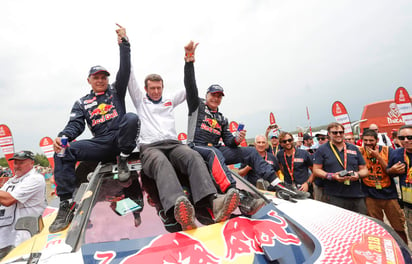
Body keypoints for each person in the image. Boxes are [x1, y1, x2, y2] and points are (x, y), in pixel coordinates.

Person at [127, 44, 239, 231]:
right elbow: (129, 76)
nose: (156, 91)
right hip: (151, 147)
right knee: (161, 163)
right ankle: (179, 207)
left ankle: (213, 203)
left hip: (173, 144)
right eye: (152, 88)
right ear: (146, 89)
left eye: (159, 88)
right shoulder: (140, 99)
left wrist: (189, 61)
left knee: (193, 156)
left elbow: (190, 87)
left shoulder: (169, 99)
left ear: (163, 87)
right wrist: (125, 45)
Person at [49, 25, 140, 233]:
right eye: (96, 77)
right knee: (63, 149)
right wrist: (63, 136)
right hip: (102, 143)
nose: (100, 80)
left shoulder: (116, 91)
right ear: (89, 80)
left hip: (122, 139)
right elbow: (75, 125)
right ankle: (65, 204)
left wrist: (124, 44)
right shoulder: (82, 102)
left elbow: (124, 69)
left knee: (132, 117)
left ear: (107, 79)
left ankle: (124, 159)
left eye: (103, 77)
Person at [183, 41, 276, 211]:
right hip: (195, 147)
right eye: (213, 95)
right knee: (214, 152)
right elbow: (190, 85)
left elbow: (230, 143)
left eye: (219, 96)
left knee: (250, 151)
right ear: (207, 95)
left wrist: (237, 139)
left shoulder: (221, 118)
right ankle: (233, 191)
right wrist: (189, 61)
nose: (216, 98)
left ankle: (276, 182)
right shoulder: (197, 105)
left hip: (215, 149)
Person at [359, 130, 407, 243]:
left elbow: (390, 171)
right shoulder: (360, 152)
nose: (368, 143)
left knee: (398, 226)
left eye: (371, 140)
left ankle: (405, 250)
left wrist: (378, 157)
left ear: (377, 140)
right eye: (365, 140)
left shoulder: (387, 151)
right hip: (370, 194)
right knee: (376, 227)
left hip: (389, 194)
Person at [313, 122, 368, 214]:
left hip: (356, 194)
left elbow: (365, 170)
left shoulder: (354, 148)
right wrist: (332, 176)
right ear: (329, 134)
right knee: (339, 225)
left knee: (360, 224)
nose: (338, 135)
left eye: (341, 132)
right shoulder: (322, 149)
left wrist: (357, 175)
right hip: (334, 195)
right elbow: (316, 170)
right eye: (335, 133)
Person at [0, 151, 47, 259]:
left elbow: (9, 200)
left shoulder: (35, 178)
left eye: (21, 163)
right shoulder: (12, 180)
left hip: (24, 239)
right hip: (6, 237)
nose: (17, 166)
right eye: (15, 163)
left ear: (32, 163)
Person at [387, 125, 412, 242]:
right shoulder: (396, 154)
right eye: (402, 138)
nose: (406, 141)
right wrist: (392, 171)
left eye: (410, 137)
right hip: (409, 203)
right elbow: (388, 172)